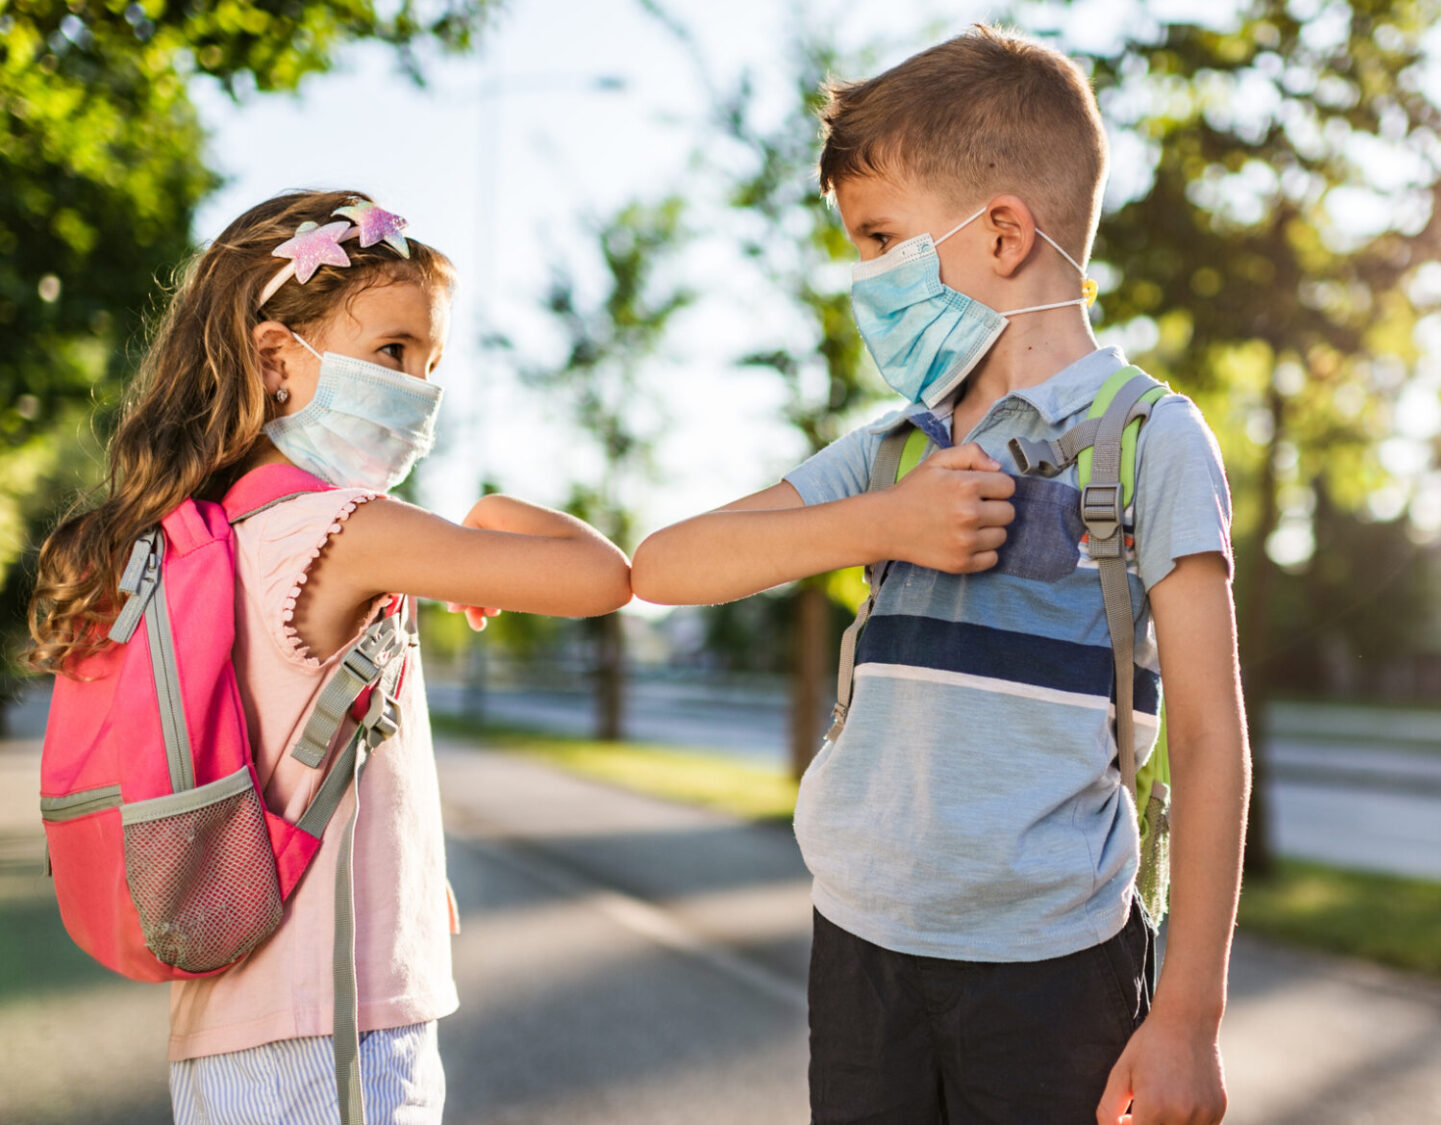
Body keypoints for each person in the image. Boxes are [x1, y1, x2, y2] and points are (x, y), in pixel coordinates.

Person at [632, 27, 1249, 1125]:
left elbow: (1207, 743)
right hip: (862, 951)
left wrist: (1187, 1021)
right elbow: (667, 567)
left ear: (1002, 232)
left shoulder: (1149, 439)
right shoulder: (889, 451)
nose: (865, 278)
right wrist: (882, 522)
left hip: (1054, 970)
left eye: (879, 240)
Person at [27, 189, 632, 1124]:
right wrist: (490, 519)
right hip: (331, 1033)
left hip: (238, 1025)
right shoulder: (345, 527)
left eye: (431, 363)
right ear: (277, 360)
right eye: (392, 352)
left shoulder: (216, 530)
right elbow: (603, 576)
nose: (418, 390)